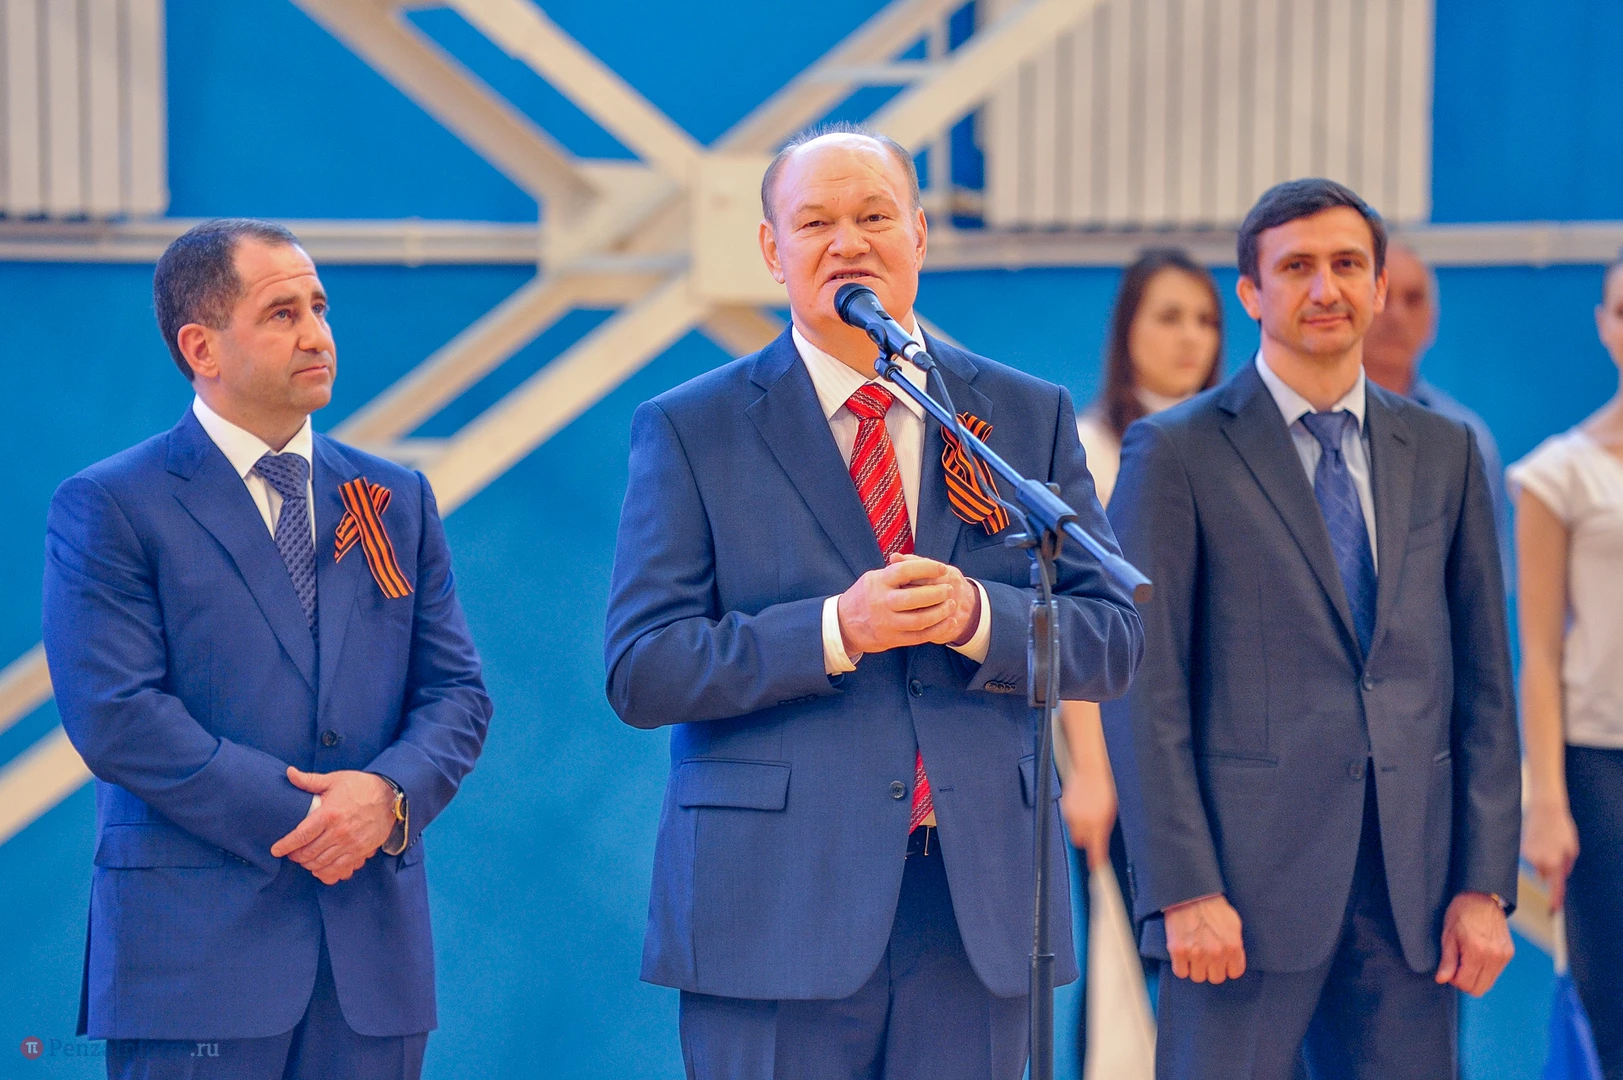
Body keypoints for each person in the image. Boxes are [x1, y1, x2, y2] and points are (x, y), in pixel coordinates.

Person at [603, 123, 1143, 1079]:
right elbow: (643, 669)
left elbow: (1111, 640)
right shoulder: (692, 427)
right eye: (815, 222)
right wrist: (832, 630)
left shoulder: (1024, 415)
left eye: (874, 216)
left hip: (975, 905)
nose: (847, 243)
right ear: (772, 250)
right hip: (772, 906)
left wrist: (980, 618)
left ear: (920, 235)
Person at [42, 219, 492, 1080]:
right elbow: (117, 716)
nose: (317, 334)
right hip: (192, 961)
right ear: (201, 347)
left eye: (319, 307)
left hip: (371, 962)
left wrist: (386, 797)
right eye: (283, 313)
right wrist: (315, 820)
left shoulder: (394, 497)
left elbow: (456, 694)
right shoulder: (112, 504)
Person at [1103, 179, 1520, 1080]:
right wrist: (1182, 888)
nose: (1324, 288)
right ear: (1251, 293)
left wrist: (1485, 883)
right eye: (1295, 267)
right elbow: (1145, 687)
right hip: (1238, 897)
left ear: (1378, 285)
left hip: (1412, 895)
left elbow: (1486, 680)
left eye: (1345, 265)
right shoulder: (1176, 451)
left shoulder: (1444, 452)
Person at [1063, 248, 1223, 1070]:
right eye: (1168, 316)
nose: (1190, 337)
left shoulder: (1241, 454)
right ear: (1127, 330)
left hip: (1229, 752)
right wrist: (1092, 774)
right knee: (1126, 970)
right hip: (1125, 751)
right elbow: (1073, 623)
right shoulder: (1087, 452)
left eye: (1205, 319)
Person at [1512, 253, 1623, 1079]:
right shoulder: (1558, 472)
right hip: (1599, 764)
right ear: (1603, 326)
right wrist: (1546, 802)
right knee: (1610, 998)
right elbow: (1539, 650)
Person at [1363, 241, 1513, 586]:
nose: (1396, 315)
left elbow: (1482, 585)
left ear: (1431, 318)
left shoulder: (1466, 439)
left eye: (1413, 299)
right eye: (1381, 296)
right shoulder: (1312, 426)